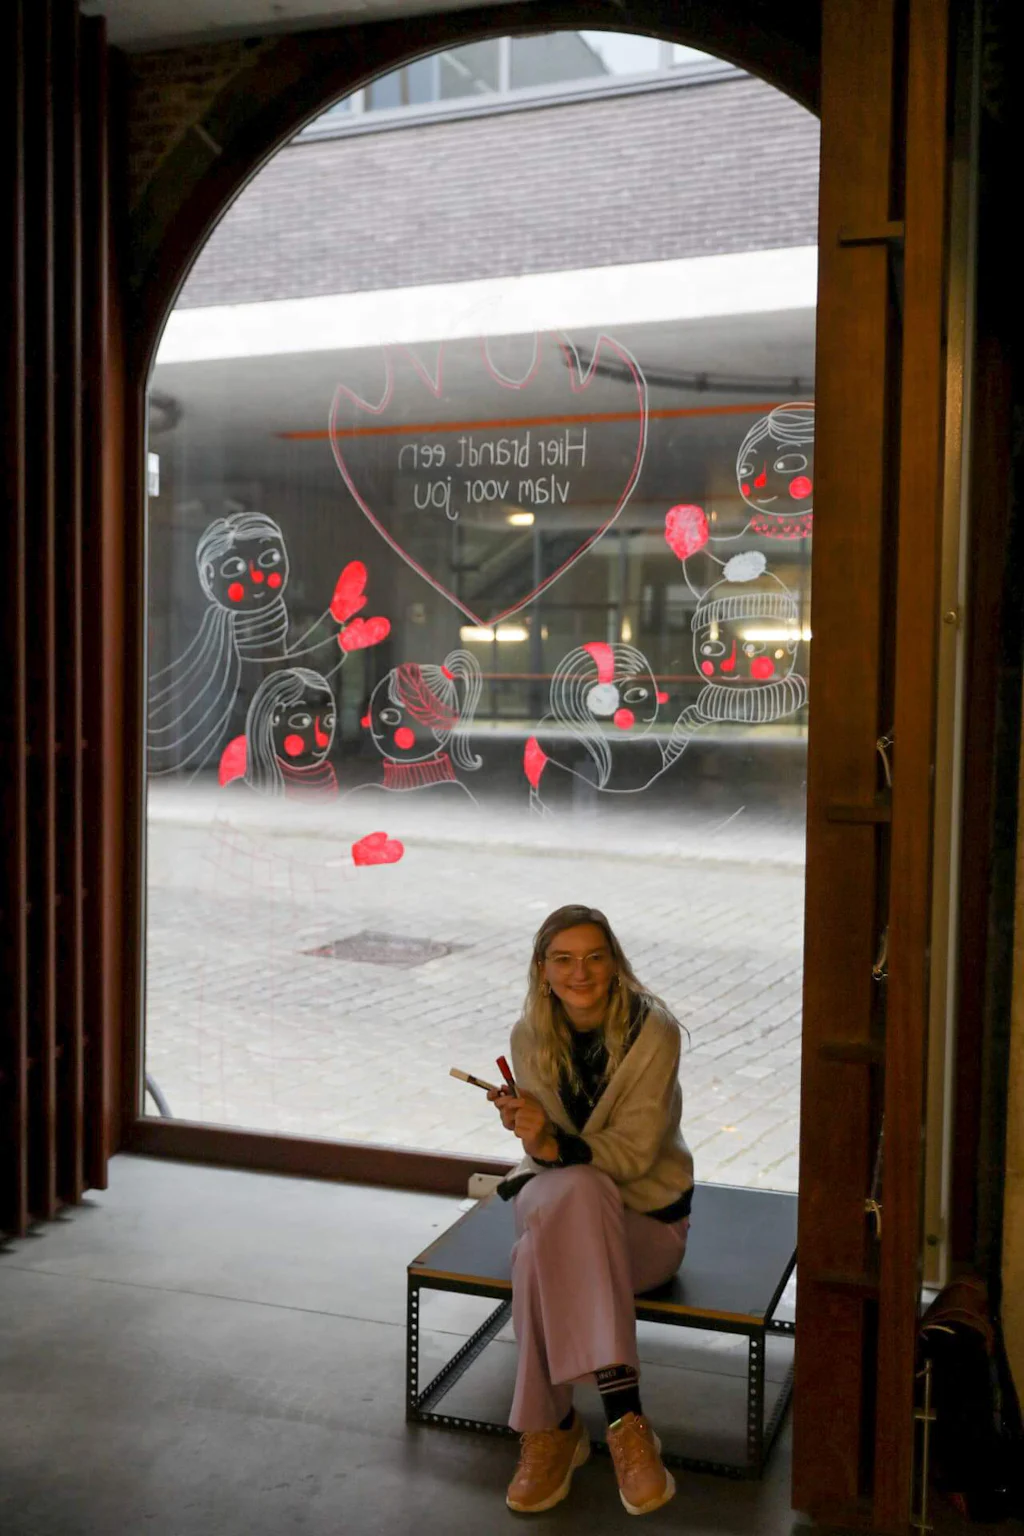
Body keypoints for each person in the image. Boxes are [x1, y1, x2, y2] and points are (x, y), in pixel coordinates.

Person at [487, 904, 693, 1516]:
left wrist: (554, 1148)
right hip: (560, 1202)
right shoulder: (528, 1036)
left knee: (536, 1255)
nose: (581, 973)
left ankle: (552, 1429)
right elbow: (549, 1159)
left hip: (645, 1228)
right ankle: (626, 1421)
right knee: (574, 1192)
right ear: (542, 970)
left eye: (594, 957)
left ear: (614, 963)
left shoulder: (654, 1033)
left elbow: (633, 1153)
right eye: (564, 959)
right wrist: (531, 1133)